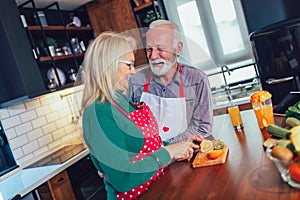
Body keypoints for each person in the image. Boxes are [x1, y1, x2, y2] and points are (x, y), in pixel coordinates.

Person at [81, 32, 198, 200]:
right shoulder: (97, 112)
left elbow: (148, 145)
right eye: (129, 65)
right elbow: (123, 178)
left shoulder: (121, 100)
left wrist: (180, 145)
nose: (133, 71)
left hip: (159, 187)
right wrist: (169, 152)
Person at [127, 20, 213, 143]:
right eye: (149, 49)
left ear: (178, 49)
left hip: (186, 155)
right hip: (152, 157)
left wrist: (173, 146)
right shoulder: (135, 82)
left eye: (160, 48)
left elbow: (203, 127)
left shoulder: (197, 80)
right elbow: (130, 128)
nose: (153, 56)